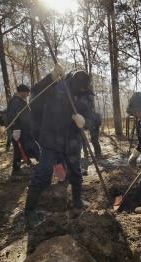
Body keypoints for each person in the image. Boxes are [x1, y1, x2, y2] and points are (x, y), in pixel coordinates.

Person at [25, 67, 95, 223]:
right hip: (51, 139)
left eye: (84, 88)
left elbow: (93, 118)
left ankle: (77, 202)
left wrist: (84, 122)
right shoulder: (57, 86)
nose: (82, 90)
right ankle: (30, 211)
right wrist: (49, 77)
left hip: (72, 142)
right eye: (80, 88)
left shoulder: (84, 96)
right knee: (43, 173)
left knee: (76, 173)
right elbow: (34, 99)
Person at [7, 84, 39, 176]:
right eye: (27, 92)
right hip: (20, 130)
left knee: (23, 148)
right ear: (22, 92)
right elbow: (12, 117)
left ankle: (25, 164)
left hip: (24, 130)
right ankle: (17, 169)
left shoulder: (19, 100)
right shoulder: (15, 101)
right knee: (22, 148)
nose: (28, 94)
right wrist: (16, 130)